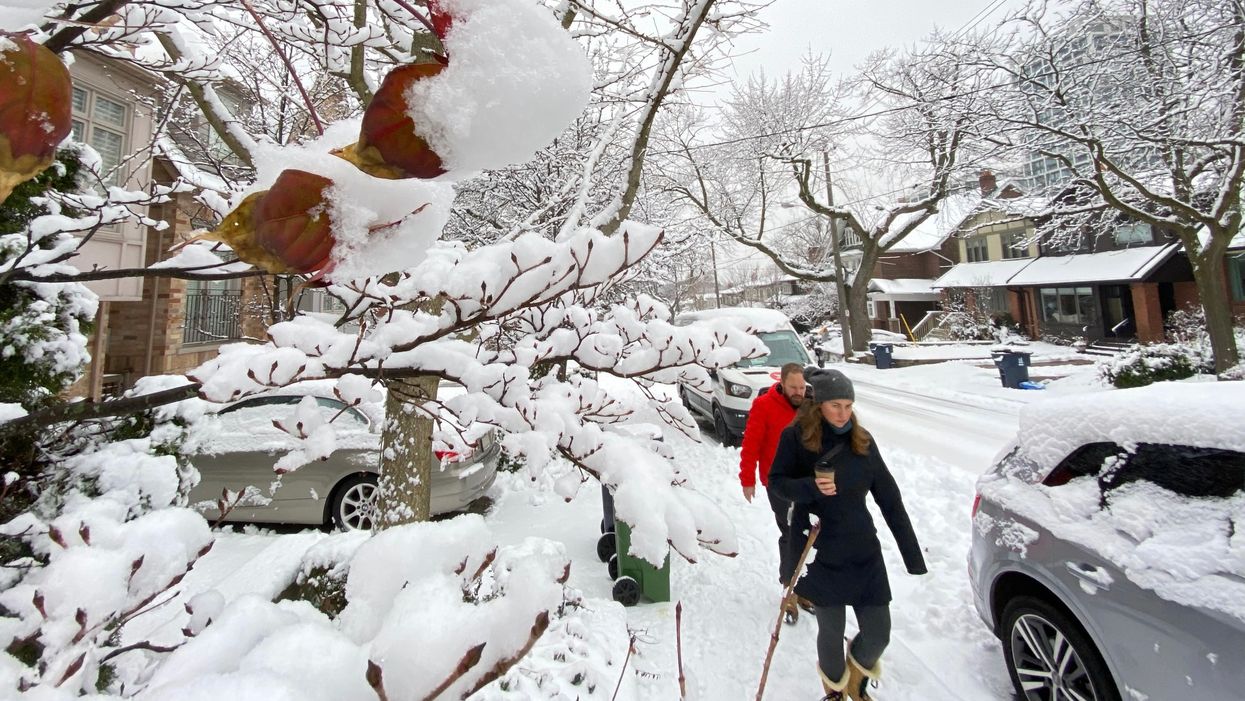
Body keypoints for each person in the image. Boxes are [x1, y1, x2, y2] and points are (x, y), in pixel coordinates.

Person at [768, 367, 926, 701]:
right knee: (831, 628)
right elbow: (778, 482)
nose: (844, 413)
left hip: (862, 549)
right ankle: (836, 692)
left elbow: (889, 498)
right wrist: (811, 487)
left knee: (879, 632)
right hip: (821, 550)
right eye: (836, 405)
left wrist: (912, 555)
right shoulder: (796, 438)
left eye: (849, 405)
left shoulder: (862, 441)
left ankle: (855, 678)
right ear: (820, 404)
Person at [738, 362, 812, 621]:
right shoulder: (764, 406)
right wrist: (747, 478)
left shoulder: (810, 405)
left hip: (808, 482)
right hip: (778, 483)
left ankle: (805, 587)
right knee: (790, 533)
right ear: (781, 383)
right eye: (793, 387)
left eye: (802, 387)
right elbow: (751, 444)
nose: (798, 392)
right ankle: (789, 589)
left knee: (811, 534)